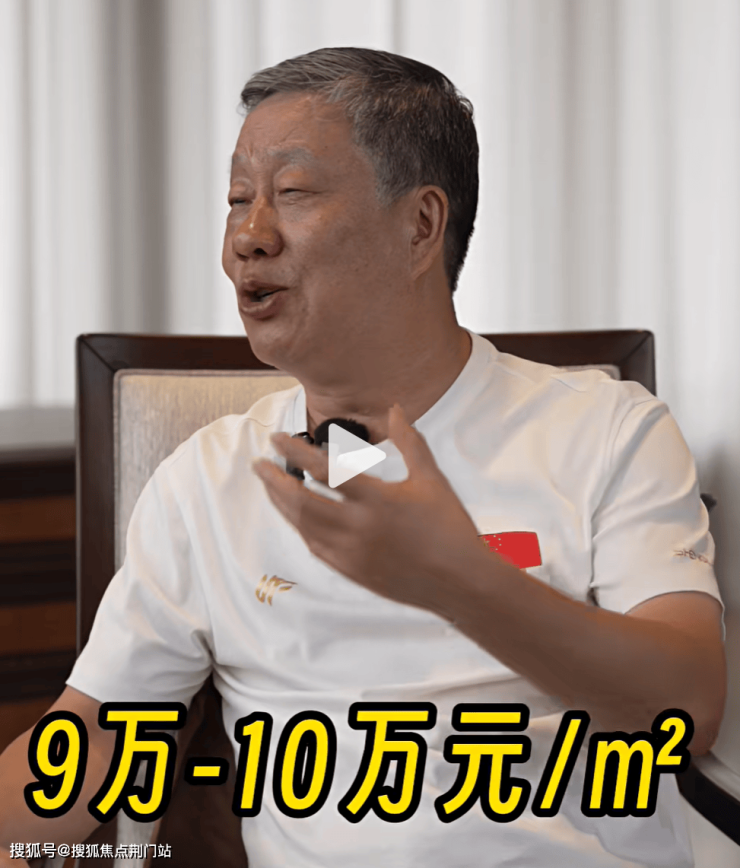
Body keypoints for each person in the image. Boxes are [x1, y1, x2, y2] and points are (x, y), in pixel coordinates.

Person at [0, 47, 725, 867]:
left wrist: (461, 581)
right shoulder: (210, 477)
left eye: (291, 193)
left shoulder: (606, 430)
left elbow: (688, 705)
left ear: (420, 226)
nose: (248, 237)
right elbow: (91, 745)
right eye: (237, 199)